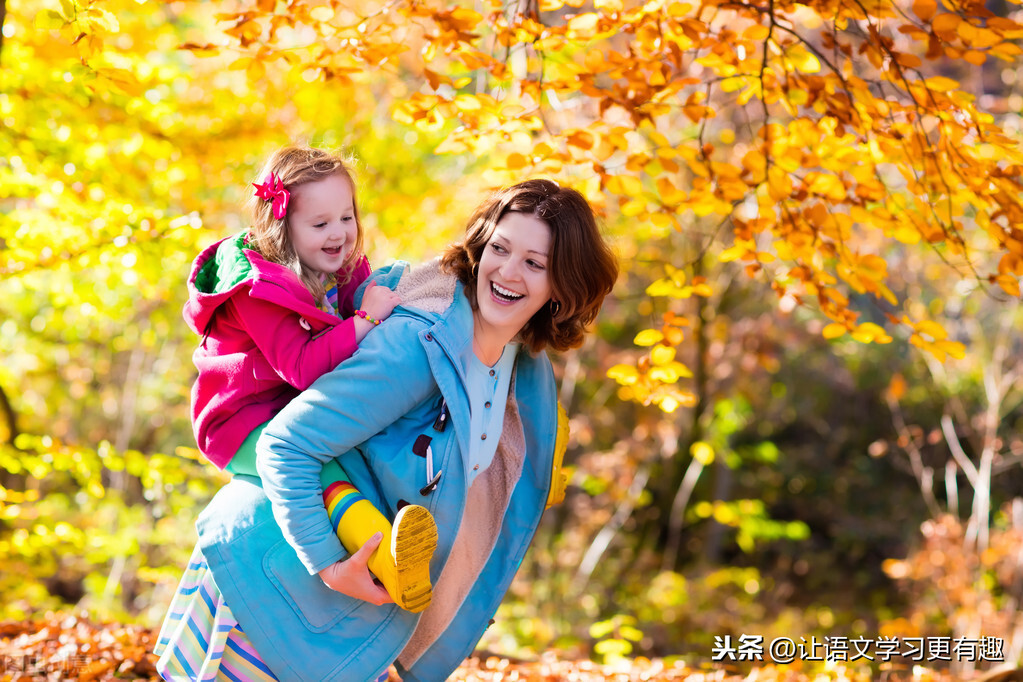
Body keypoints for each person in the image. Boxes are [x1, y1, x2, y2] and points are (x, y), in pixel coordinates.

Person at [156, 178, 619, 682]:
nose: (507, 271)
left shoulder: (522, 369)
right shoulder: (416, 345)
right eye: (500, 249)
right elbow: (284, 445)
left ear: (563, 287)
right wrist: (330, 564)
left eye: (535, 263)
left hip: (348, 617)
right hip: (274, 581)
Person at [171, 144, 438, 624]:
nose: (339, 233)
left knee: (358, 448)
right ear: (282, 227)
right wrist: (364, 320)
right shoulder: (258, 291)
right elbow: (301, 366)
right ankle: (387, 564)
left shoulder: (336, 261)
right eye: (320, 224)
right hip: (240, 421)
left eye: (346, 217)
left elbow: (361, 298)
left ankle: (410, 533)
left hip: (287, 404)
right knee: (321, 472)